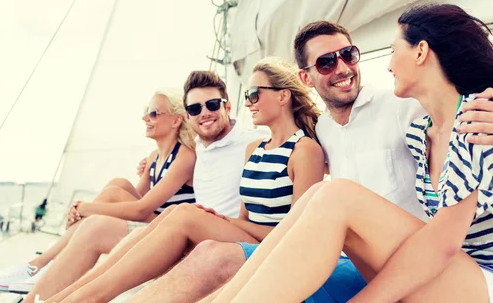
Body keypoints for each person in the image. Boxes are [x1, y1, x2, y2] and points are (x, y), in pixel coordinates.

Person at [128, 19, 493, 303]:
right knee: (214, 257)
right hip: (371, 258)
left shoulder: (414, 111)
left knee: (334, 195)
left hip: (482, 277)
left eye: (350, 54)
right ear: (306, 78)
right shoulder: (326, 132)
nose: (345, 67)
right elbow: (269, 135)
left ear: (421, 53)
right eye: (327, 61)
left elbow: (448, 230)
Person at [41, 57, 326, 303]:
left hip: (275, 245)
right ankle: (67, 297)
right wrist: (153, 160)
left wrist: (223, 222)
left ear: (282, 96)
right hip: (243, 235)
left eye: (253, 94)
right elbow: (243, 213)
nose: (248, 102)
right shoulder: (255, 150)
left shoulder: (304, 152)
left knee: (185, 214)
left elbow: (298, 233)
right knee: (170, 218)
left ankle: (85, 298)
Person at [0, 87, 196, 297]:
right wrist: (87, 210)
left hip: (169, 232)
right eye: (146, 112)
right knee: (117, 185)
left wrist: (85, 208)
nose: (145, 118)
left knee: (113, 194)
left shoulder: (185, 157)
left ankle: (38, 267)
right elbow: (131, 204)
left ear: (177, 120)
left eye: (154, 113)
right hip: (153, 224)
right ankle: (48, 264)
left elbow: (139, 210)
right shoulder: (154, 158)